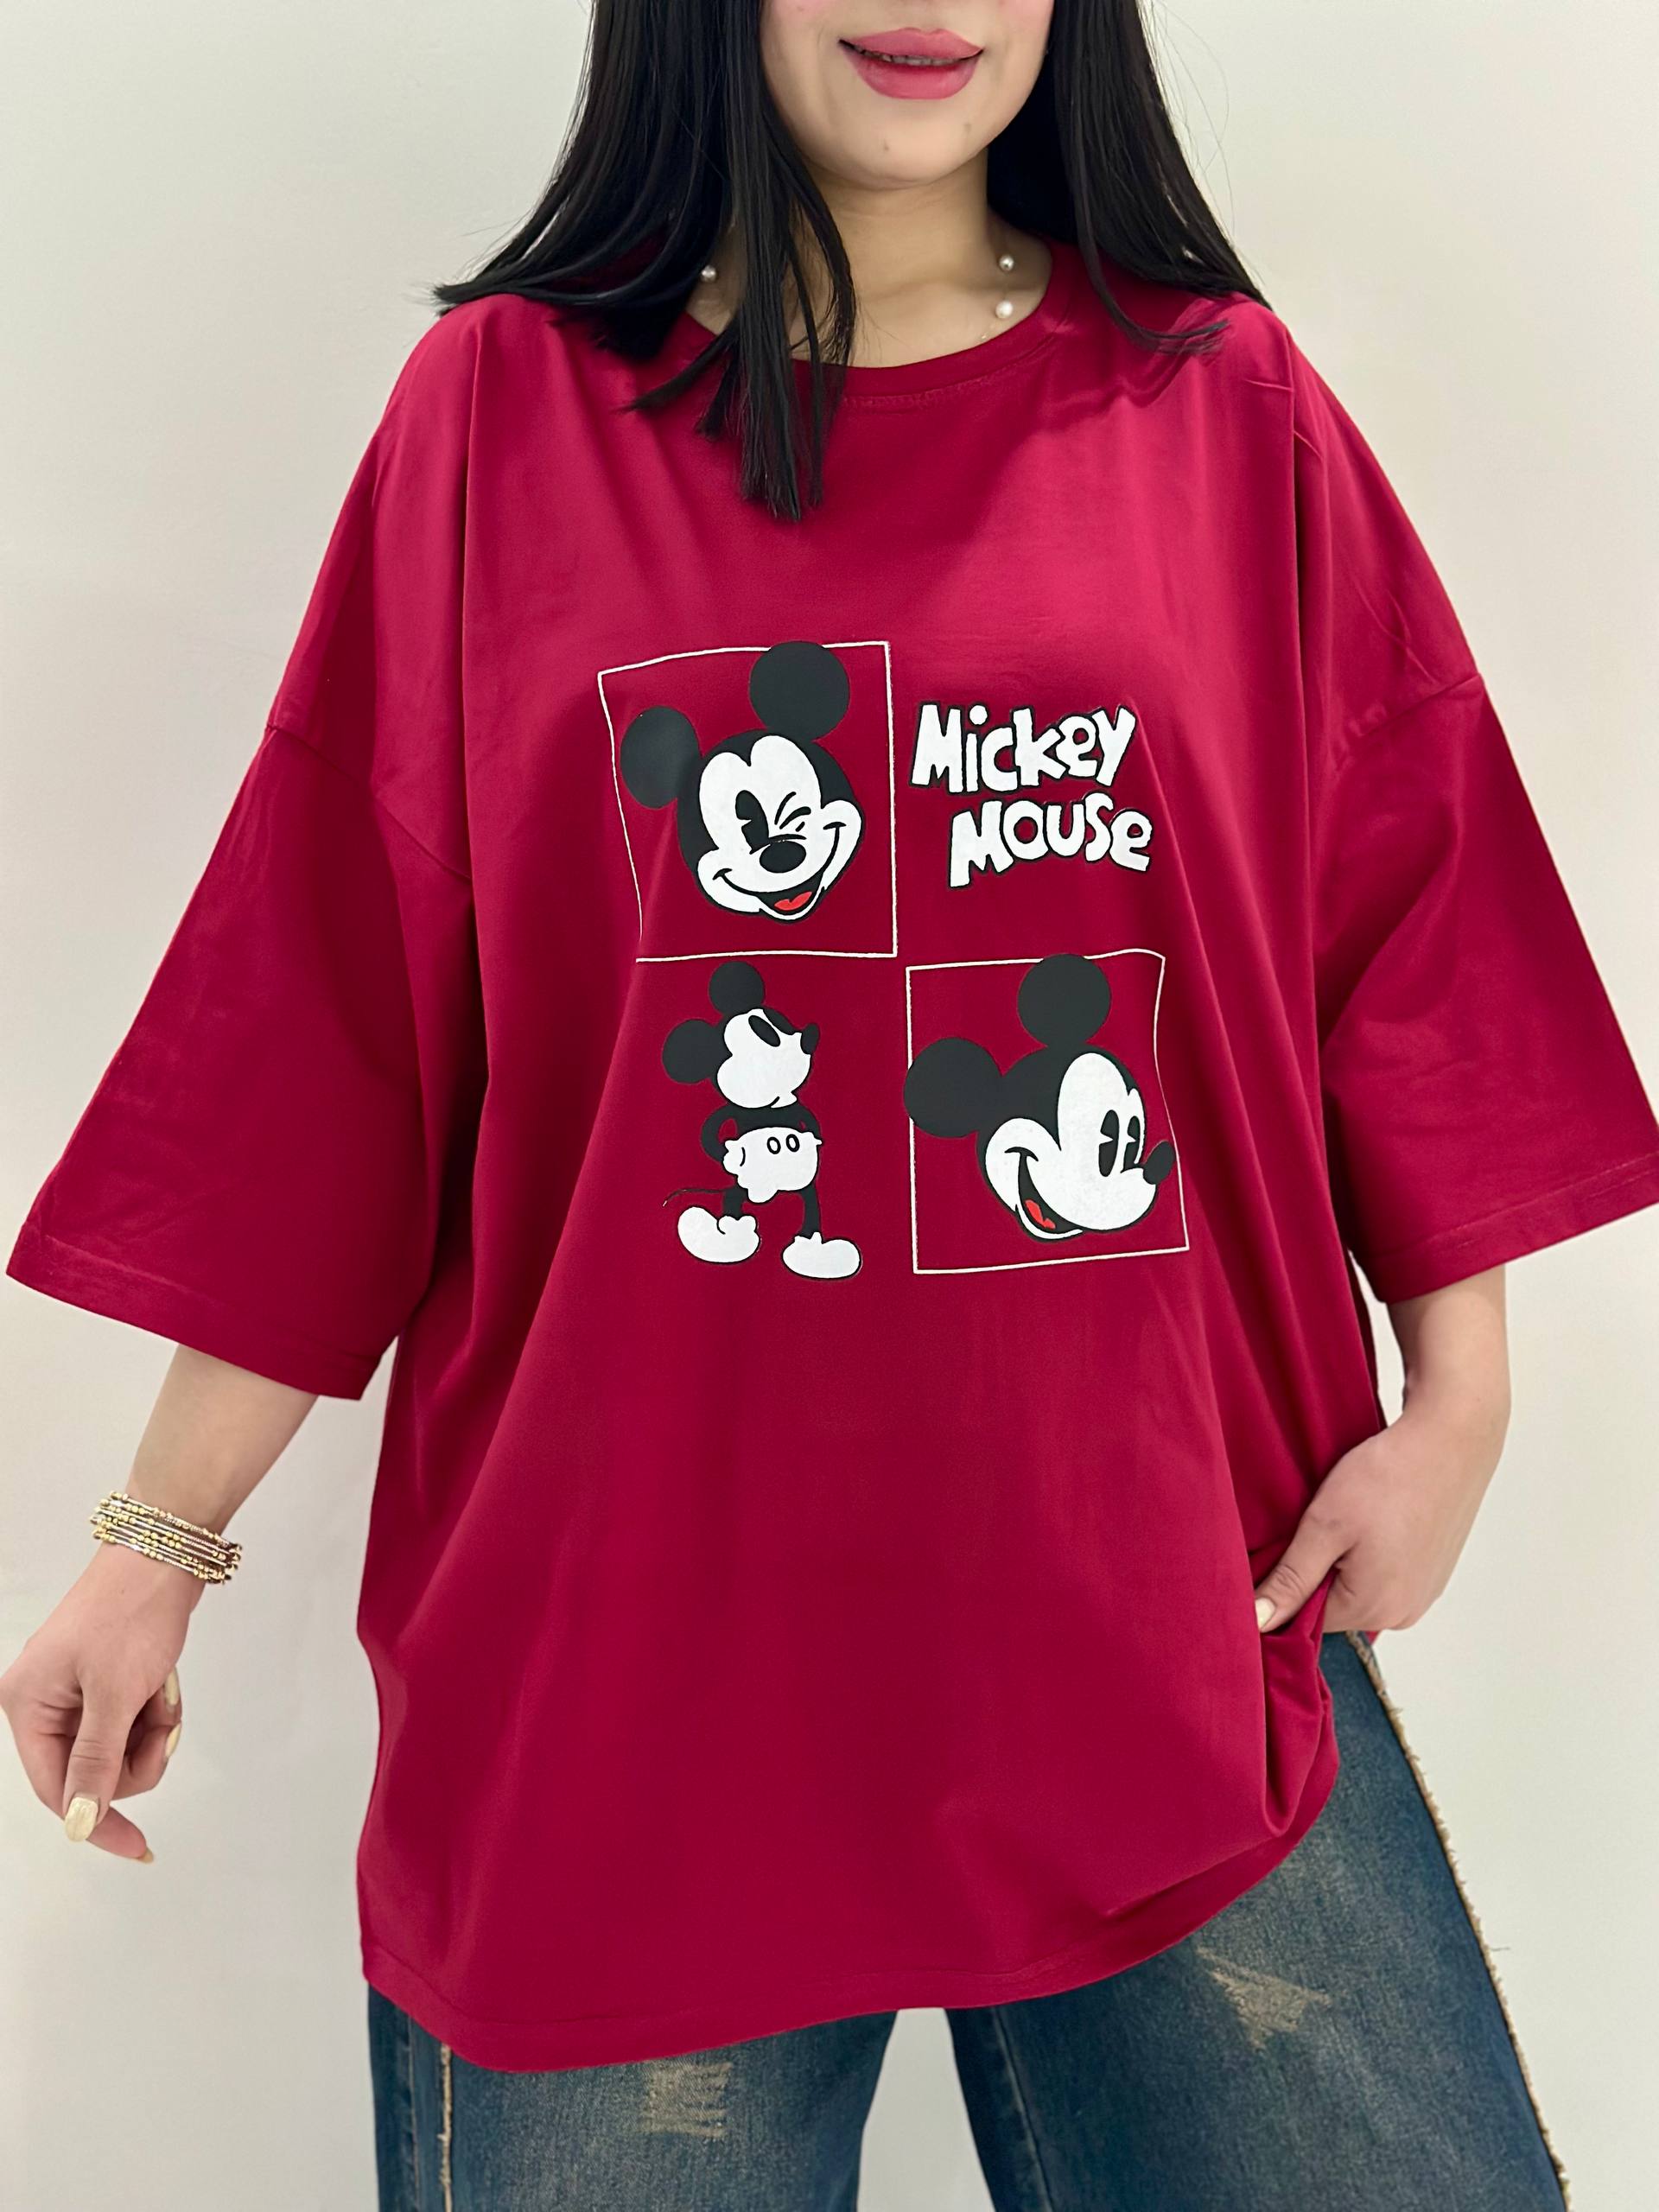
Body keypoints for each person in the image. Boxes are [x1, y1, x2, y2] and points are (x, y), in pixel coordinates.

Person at [4, 3, 1656, 2205]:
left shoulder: (1221, 404)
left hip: (1170, 1632)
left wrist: (1464, 1401)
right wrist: (151, 1544)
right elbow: (334, 1019)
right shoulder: (502, 413)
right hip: (625, 1693)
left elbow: (1412, 895)